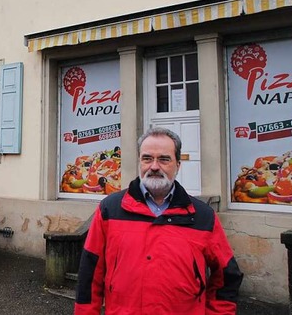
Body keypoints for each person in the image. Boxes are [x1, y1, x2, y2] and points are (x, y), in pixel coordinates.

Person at [74, 127, 243, 315]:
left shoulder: (203, 216)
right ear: (140, 162)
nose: (154, 166)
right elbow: (90, 273)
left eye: (164, 159)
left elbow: (227, 276)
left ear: (178, 165)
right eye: (147, 158)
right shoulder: (110, 209)